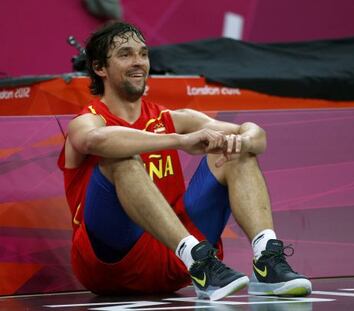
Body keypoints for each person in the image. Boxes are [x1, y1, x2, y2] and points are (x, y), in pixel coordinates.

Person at [58, 21, 312, 300]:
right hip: (111, 262)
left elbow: (256, 135)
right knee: (119, 159)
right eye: (125, 54)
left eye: (143, 54)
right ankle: (197, 258)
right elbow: (94, 141)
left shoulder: (173, 118)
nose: (138, 62)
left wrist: (241, 141)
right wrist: (180, 141)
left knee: (236, 150)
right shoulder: (86, 121)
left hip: (173, 264)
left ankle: (266, 261)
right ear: (99, 68)